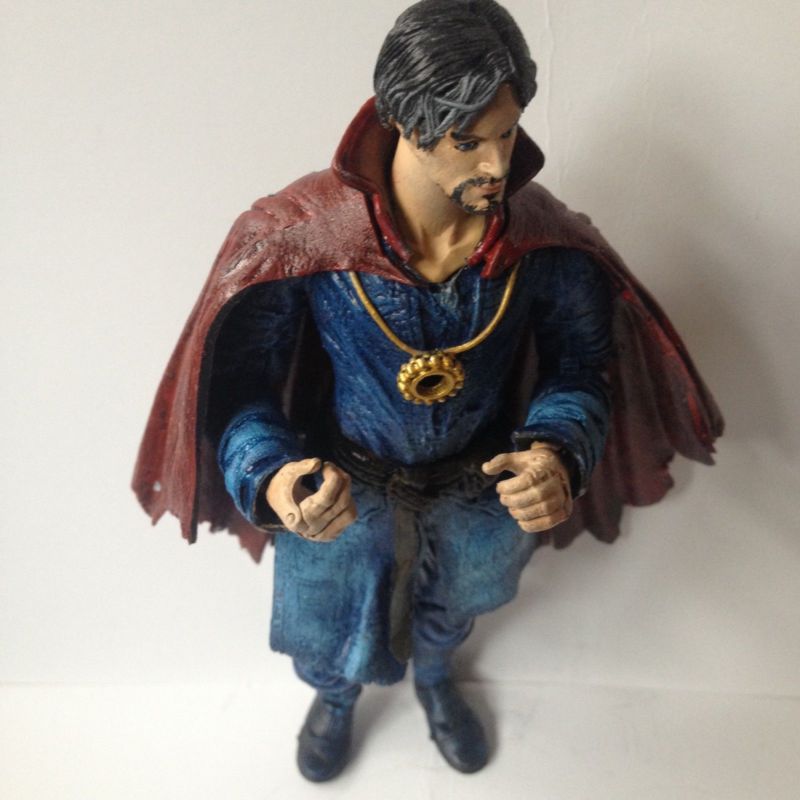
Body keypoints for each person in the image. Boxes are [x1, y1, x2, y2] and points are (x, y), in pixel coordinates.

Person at [133, 0, 722, 782]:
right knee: (328, 635)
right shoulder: (305, 238)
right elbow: (241, 389)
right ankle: (335, 700)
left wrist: (557, 449)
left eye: (507, 133)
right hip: (345, 492)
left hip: (481, 489)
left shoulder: (542, 242)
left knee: (454, 611)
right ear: (404, 124)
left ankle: (438, 680)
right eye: (467, 141)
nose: (497, 165)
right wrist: (274, 476)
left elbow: (581, 366)